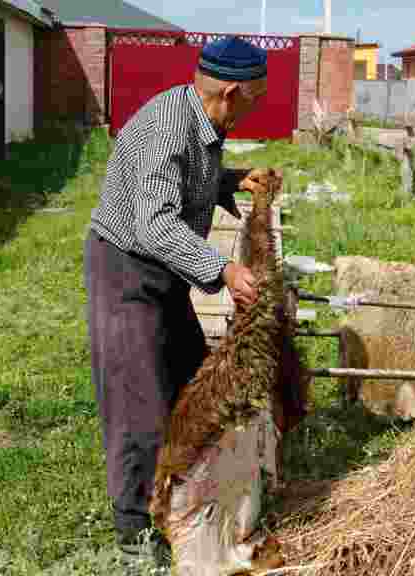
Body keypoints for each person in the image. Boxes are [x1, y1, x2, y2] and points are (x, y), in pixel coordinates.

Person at [83, 36, 281, 569]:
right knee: (139, 402)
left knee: (191, 378)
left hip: (163, 272)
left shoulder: (200, 121)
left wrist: (234, 181)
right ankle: (133, 530)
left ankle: (188, 494)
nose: (256, 108)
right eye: (256, 99)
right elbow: (153, 222)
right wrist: (222, 269)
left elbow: (186, 184)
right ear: (234, 92)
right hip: (127, 270)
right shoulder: (167, 127)